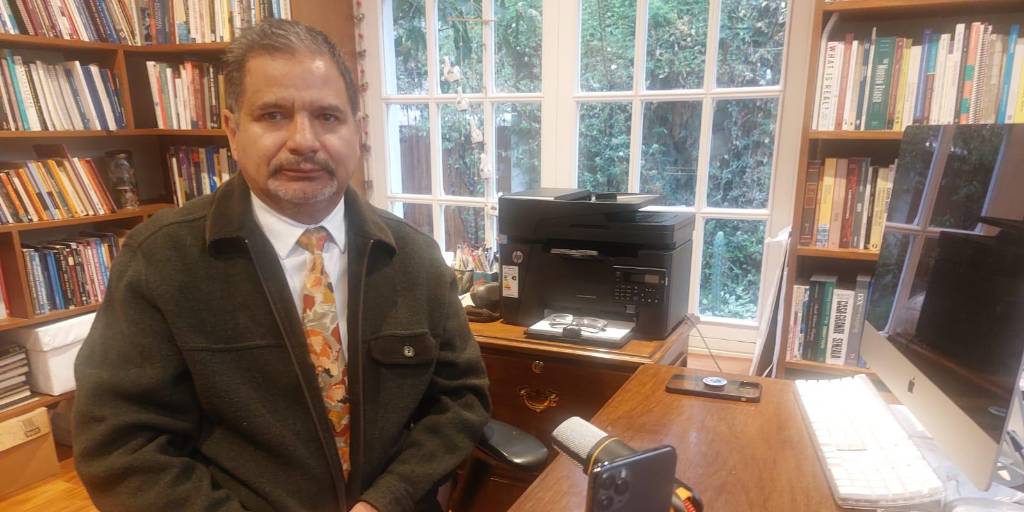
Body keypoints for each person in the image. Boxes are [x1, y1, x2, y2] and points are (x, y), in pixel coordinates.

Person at [73, 19, 490, 512]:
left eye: (327, 116)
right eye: (273, 115)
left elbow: (460, 402)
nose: (303, 141)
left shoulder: (415, 258)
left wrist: (387, 499)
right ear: (233, 131)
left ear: (358, 132)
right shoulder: (161, 261)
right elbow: (123, 445)